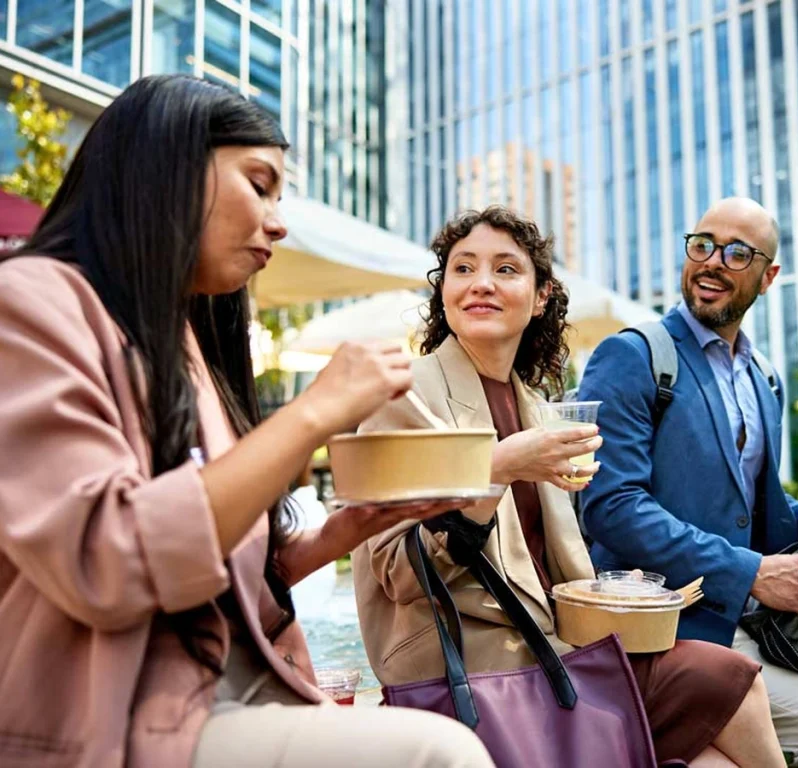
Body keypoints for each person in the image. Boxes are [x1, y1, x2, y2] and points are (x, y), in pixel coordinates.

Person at [0, 75, 494, 768]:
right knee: (438, 753)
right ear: (166, 168)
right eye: (259, 185)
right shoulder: (27, 302)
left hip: (227, 688)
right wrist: (314, 412)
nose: (279, 221)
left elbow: (216, 573)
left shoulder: (182, 341)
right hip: (106, 716)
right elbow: (110, 561)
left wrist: (344, 531)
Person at [352, 205, 787, 768]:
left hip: (558, 651)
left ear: (540, 298)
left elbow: (549, 568)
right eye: (463, 269)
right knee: (728, 679)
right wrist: (497, 466)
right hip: (471, 672)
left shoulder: (537, 408)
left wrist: (621, 592)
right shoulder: (402, 395)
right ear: (443, 292)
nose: (481, 283)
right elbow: (399, 574)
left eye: (506, 269)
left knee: (719, 751)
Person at [578, 197, 798, 768]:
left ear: (769, 277)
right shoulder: (633, 356)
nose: (713, 261)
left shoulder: (764, 376)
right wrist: (752, 572)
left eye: (737, 252)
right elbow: (612, 507)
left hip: (754, 622)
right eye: (703, 245)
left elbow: (747, 512)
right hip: (671, 628)